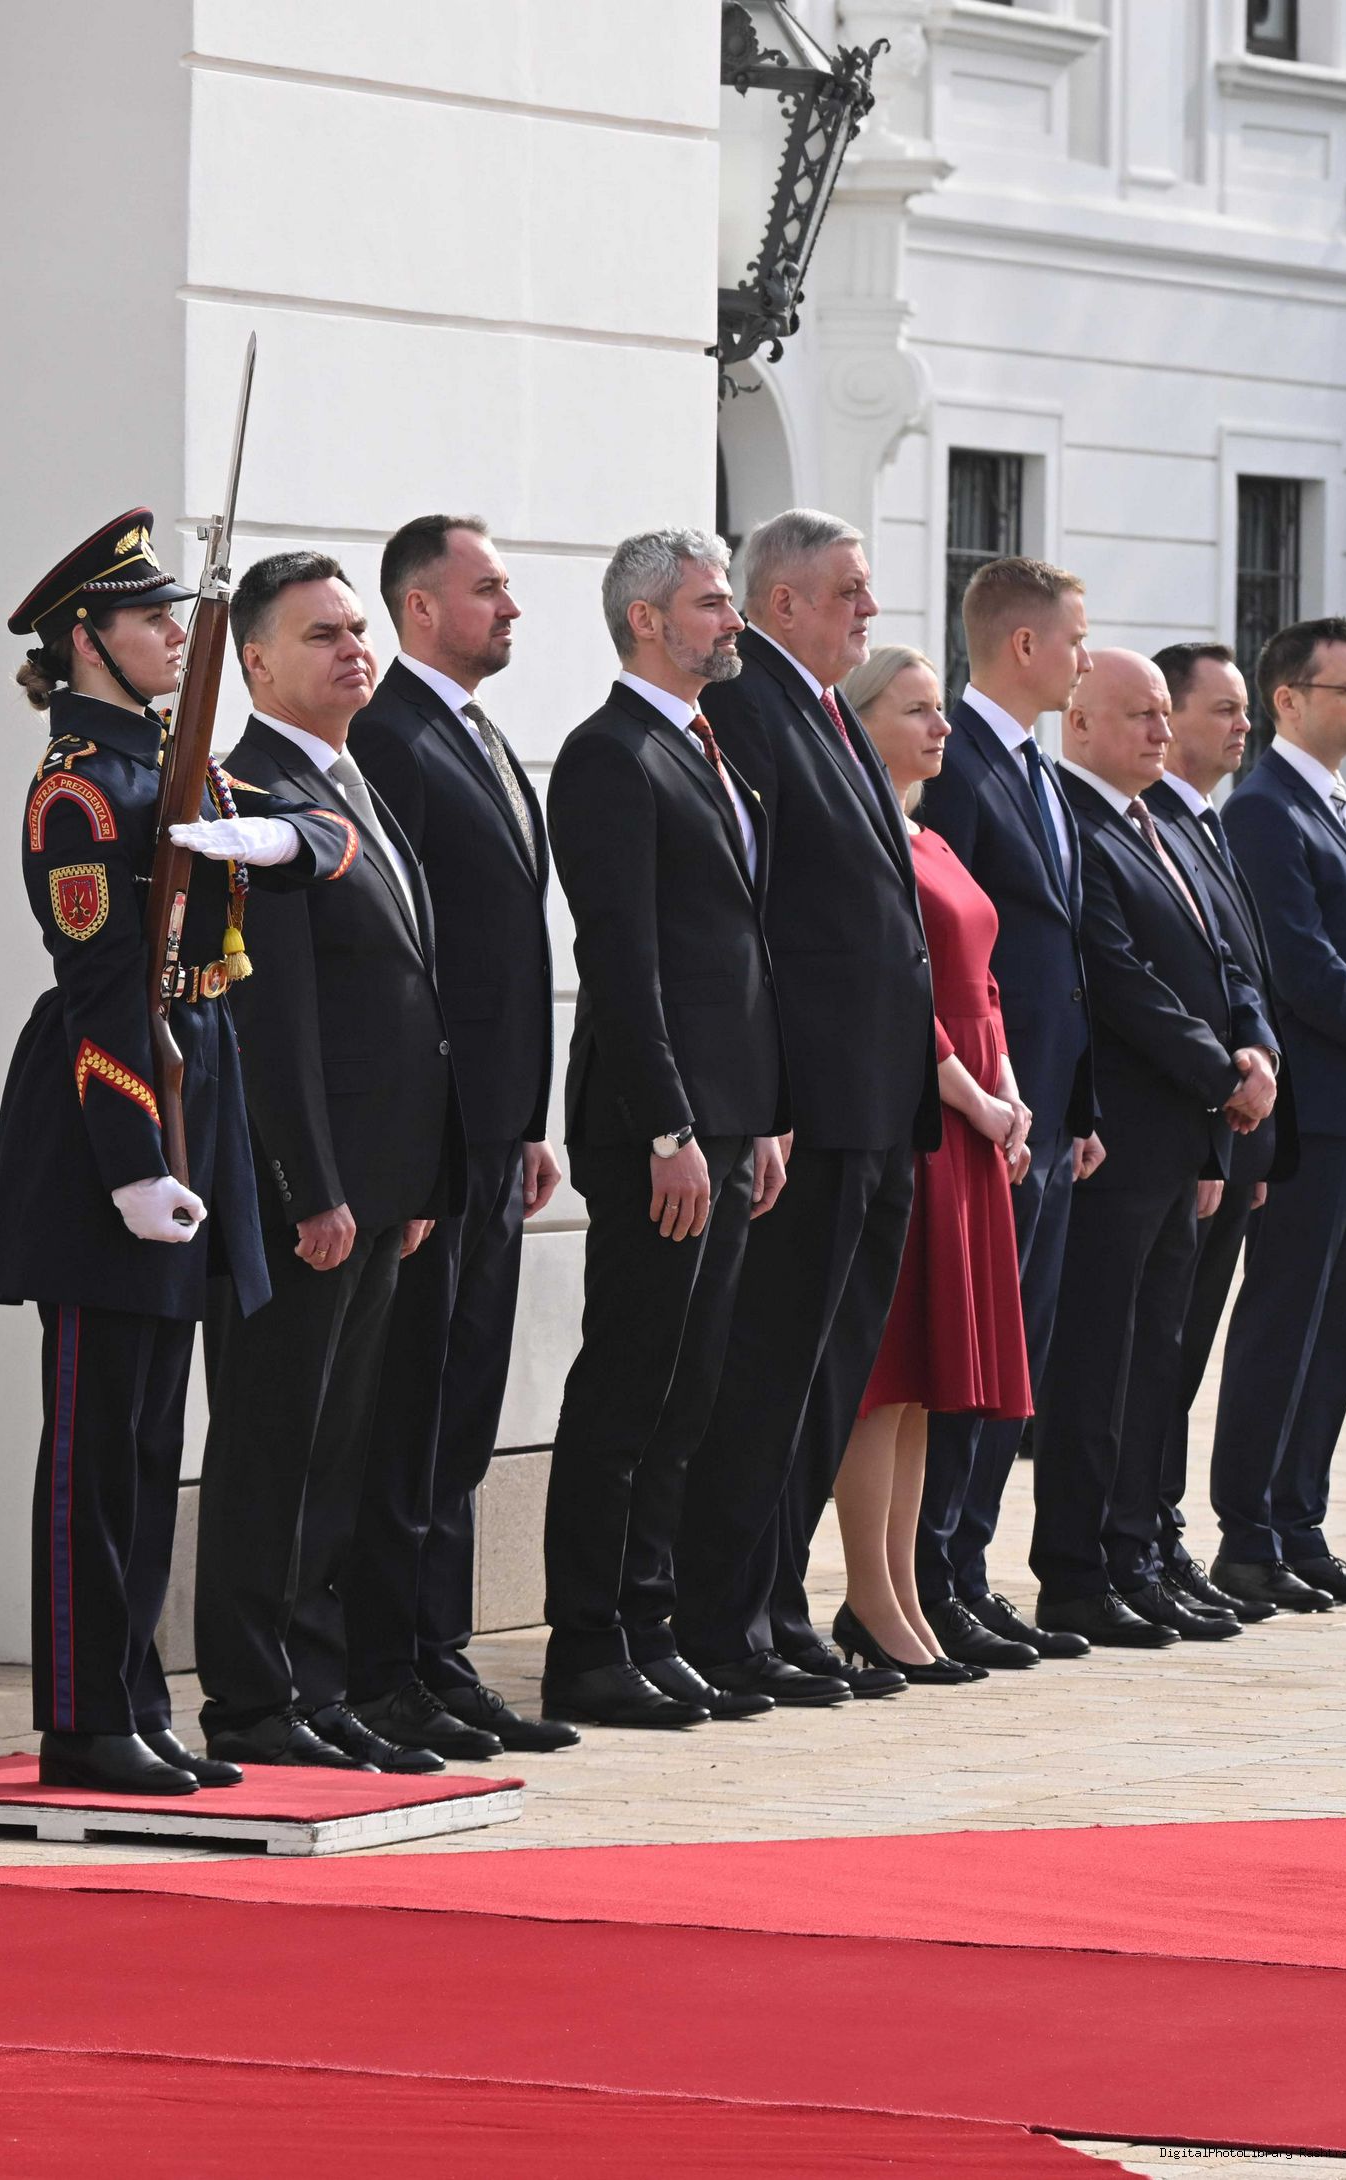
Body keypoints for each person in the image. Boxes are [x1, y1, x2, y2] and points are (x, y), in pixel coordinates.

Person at [0, 510, 359, 1794]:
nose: (175, 635)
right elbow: (99, 988)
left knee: (150, 1443)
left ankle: (137, 1701)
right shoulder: (81, 788)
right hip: (112, 1116)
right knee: (97, 1449)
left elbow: (331, 836)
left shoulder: (174, 763)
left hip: (195, 1086)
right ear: (87, 640)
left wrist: (273, 840)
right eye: (152, 619)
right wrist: (135, 1160)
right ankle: (85, 1716)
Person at [196, 552, 462, 1774]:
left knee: (338, 1448)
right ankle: (253, 1699)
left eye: (358, 629)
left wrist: (412, 1180)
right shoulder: (250, 792)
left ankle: (314, 1682)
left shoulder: (350, 782)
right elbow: (274, 1015)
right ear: (255, 661)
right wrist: (312, 1187)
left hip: (377, 1188)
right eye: (322, 634)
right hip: (310, 1194)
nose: (355, 649)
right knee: (274, 1446)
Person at [675, 509, 937, 1711]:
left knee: (827, 1378)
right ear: (782, 602)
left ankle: (776, 1606)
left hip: (875, 1104)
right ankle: (728, 1621)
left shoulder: (824, 709)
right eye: (848, 590)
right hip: (811, 1109)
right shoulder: (749, 708)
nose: (869, 609)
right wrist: (773, 1096)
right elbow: (758, 926)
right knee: (771, 1372)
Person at [538, 530, 789, 1731]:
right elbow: (624, 963)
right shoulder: (610, 753)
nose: (732, 622)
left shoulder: (704, 743)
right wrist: (669, 1128)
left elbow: (736, 948)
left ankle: (651, 1623)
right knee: (630, 1386)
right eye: (710, 604)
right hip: (659, 1126)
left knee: (689, 1391)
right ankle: (589, 1644)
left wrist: (761, 1117)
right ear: (646, 619)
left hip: (727, 1121)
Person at [348, 515, 579, 1757]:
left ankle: (439, 1656)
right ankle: (386, 1665)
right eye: (488, 588)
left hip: (494, 1138)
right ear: (421, 607)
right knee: (413, 1413)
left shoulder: (477, 733)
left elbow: (506, 951)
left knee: (465, 1409)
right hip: (432, 1145)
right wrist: (433, 1140)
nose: (511, 608)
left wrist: (525, 1120)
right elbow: (408, 968)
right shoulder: (391, 737)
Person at [1036, 650, 1274, 1646]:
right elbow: (1120, 975)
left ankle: (1135, 1553)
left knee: (1154, 1364)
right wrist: (1223, 1073)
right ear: (1080, 723)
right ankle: (1077, 1571)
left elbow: (1225, 957)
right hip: (1124, 1139)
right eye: (1139, 714)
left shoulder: (1160, 823)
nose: (1160, 732)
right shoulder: (1077, 823)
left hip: (1184, 1142)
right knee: (1097, 1366)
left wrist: (1254, 1044)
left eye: (1164, 715)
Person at [1211, 616, 1346, 1610]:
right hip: (1311, 1116)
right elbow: (1305, 971)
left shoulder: (1342, 807)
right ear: (1289, 700)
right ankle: (1248, 1537)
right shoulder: (1264, 810)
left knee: (1337, 1328)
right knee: (1285, 1320)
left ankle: (1300, 1524)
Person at [827, 647, 1031, 1682]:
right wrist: (976, 1099)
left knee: (924, 1386)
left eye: (941, 708)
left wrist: (1011, 1093)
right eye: (916, 710)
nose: (941, 727)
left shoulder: (933, 835)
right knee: (888, 1372)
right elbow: (900, 992)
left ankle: (902, 1593)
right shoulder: (867, 838)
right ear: (862, 722)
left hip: (976, 1116)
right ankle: (869, 1597)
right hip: (927, 1115)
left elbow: (981, 984)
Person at [915, 558, 1101, 1670]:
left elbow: (1062, 956)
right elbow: (948, 959)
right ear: (1024, 645)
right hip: (980, 1116)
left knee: (1012, 1364)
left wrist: (1078, 1106)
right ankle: (930, 1573)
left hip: (1043, 1118)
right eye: (1075, 638)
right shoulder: (959, 767)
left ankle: (970, 1567)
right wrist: (988, 1100)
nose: (1085, 658)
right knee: (969, 1357)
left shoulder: (1038, 768)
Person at [1146, 642, 1290, 1623]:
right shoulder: (1152, 821)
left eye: (1246, 709)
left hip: (1234, 1129)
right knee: (1153, 1354)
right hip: (1185, 1129)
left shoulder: (1205, 822)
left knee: (1183, 1351)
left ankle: (1157, 1532)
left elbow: (1245, 975)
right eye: (1224, 709)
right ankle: (1138, 1539)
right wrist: (1224, 1090)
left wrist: (1259, 1066)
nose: (1245, 726)